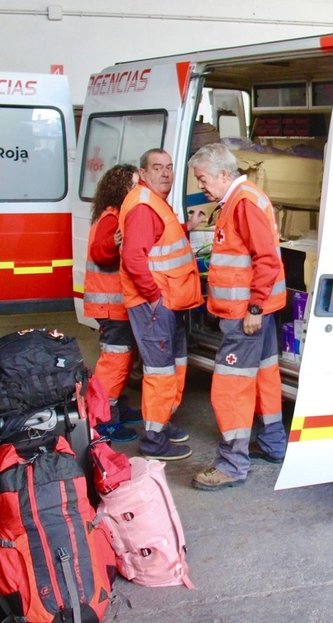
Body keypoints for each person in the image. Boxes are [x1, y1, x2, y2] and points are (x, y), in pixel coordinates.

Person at [188, 142, 288, 491]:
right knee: (264, 377)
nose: (200, 186)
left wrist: (254, 308)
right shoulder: (244, 198)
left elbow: (266, 260)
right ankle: (273, 443)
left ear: (223, 174)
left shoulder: (242, 203)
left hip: (247, 314)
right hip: (258, 310)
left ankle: (231, 464)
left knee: (231, 387)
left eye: (202, 179)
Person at [119, 148, 205, 460]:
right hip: (156, 304)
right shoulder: (144, 206)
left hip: (169, 302)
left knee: (173, 366)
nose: (165, 173)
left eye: (169, 167)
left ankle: (162, 424)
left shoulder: (154, 202)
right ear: (142, 174)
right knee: (159, 373)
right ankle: (154, 441)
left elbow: (159, 243)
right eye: (157, 168)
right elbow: (133, 259)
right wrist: (154, 297)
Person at [83, 163, 143, 442]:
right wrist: (114, 242)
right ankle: (103, 420)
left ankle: (116, 406)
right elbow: (100, 252)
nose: (137, 189)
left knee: (122, 359)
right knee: (115, 363)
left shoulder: (114, 215)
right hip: (111, 306)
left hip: (114, 306)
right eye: (132, 184)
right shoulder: (111, 218)